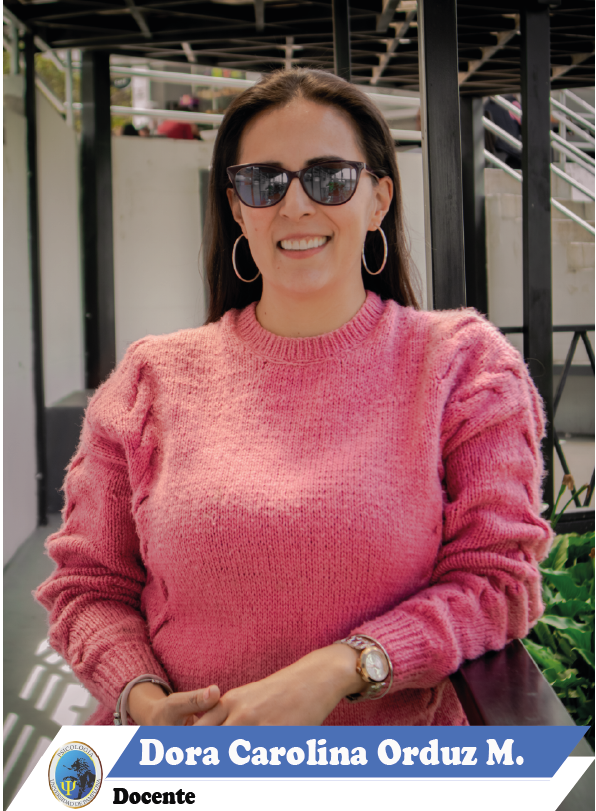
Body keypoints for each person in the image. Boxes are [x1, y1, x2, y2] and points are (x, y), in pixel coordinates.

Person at [36, 68, 552, 728]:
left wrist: (342, 668)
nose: (297, 205)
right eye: (265, 182)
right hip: (180, 768)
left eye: (330, 178)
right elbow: (89, 586)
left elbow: (498, 582)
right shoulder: (149, 379)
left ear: (379, 200)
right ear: (236, 208)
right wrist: (144, 701)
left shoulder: (462, 367)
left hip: (385, 769)